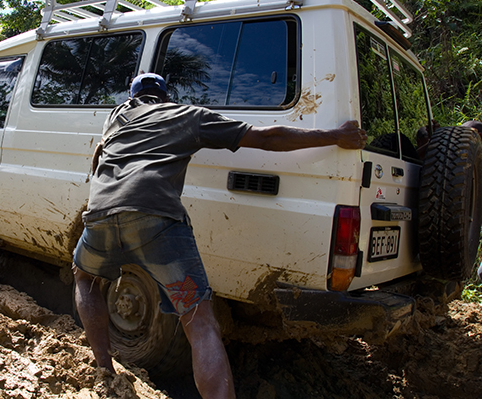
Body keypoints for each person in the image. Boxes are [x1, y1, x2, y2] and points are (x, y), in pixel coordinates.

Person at [72, 73, 368, 399]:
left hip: (98, 216)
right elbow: (268, 138)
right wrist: (336, 135)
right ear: (165, 98)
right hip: (155, 219)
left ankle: (104, 368)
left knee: (84, 278)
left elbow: (99, 154)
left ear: (132, 99)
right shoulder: (188, 116)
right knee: (199, 323)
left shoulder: (116, 119)